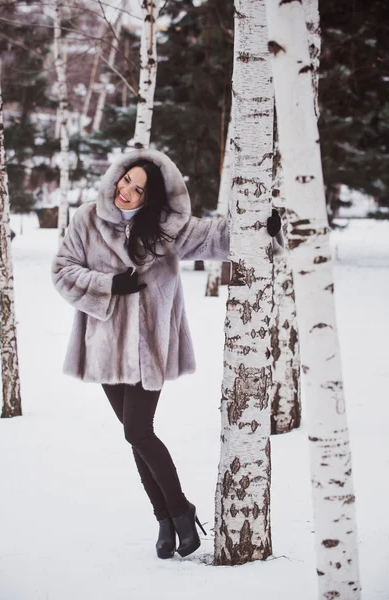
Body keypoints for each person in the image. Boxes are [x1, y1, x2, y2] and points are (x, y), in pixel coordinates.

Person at [51, 149, 282, 560]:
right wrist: (108, 285)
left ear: (150, 197)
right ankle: (164, 520)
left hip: (150, 347)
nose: (127, 192)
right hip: (104, 348)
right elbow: (63, 270)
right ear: (116, 177)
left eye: (138, 190)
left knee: (136, 431)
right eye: (126, 181)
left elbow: (216, 238)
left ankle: (179, 510)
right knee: (136, 438)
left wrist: (263, 228)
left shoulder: (164, 228)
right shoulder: (86, 218)